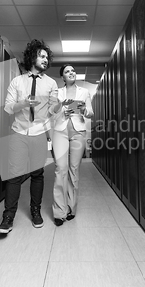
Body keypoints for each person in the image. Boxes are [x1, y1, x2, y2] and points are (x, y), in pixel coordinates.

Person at [0, 39, 58, 234]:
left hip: (40, 133)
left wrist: (60, 107)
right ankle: (8, 217)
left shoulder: (51, 83)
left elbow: (53, 109)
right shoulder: (17, 81)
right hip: (19, 132)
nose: (45, 60)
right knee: (14, 175)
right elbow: (7, 107)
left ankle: (35, 211)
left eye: (47, 57)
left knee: (37, 174)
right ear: (32, 57)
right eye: (42, 56)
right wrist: (24, 103)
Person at [50, 64, 94, 226]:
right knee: (60, 168)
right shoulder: (57, 93)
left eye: (73, 71)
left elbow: (91, 112)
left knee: (73, 170)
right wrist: (62, 109)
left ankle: (71, 208)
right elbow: (51, 111)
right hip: (60, 131)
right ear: (62, 77)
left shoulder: (84, 92)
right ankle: (59, 211)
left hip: (78, 132)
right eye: (67, 71)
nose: (71, 73)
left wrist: (83, 109)